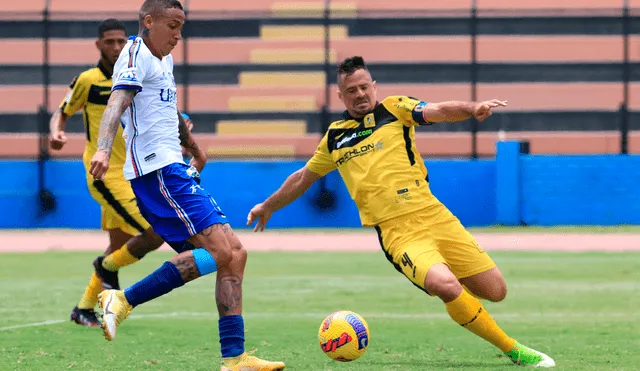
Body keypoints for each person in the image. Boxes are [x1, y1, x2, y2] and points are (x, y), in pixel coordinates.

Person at [246, 56, 555, 368]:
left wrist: (472, 108)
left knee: (495, 291)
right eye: (351, 90)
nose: (360, 94)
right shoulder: (335, 137)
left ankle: (460, 297)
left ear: (374, 86)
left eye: (364, 86)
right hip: (399, 234)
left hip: (435, 216)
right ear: (341, 96)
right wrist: (267, 205)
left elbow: (438, 110)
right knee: (445, 286)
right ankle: (513, 349)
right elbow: (302, 178)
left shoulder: (395, 109)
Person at [88, 1, 285, 370]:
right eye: (173, 25)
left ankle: (234, 357)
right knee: (223, 252)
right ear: (148, 21)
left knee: (234, 254)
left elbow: (169, 110)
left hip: (174, 169)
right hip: (157, 173)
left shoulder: (164, 59)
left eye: (182, 26)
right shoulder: (135, 53)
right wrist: (102, 148)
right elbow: (117, 100)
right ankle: (122, 299)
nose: (179, 35)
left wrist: (192, 146)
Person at [49, 18, 167, 328]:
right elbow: (61, 113)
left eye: (120, 42)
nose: (115, 47)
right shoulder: (88, 80)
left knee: (118, 245)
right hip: (105, 175)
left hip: (133, 172)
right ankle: (105, 268)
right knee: (156, 232)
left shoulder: (135, 75)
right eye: (109, 42)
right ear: (99, 44)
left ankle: (84, 308)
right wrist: (57, 133)